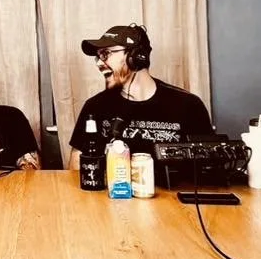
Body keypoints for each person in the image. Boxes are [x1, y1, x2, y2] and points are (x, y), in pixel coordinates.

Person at [69, 24, 214, 168]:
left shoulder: (188, 105)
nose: (99, 63)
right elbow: (76, 166)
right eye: (97, 57)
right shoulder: (95, 107)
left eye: (106, 54)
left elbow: (209, 169)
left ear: (136, 57)